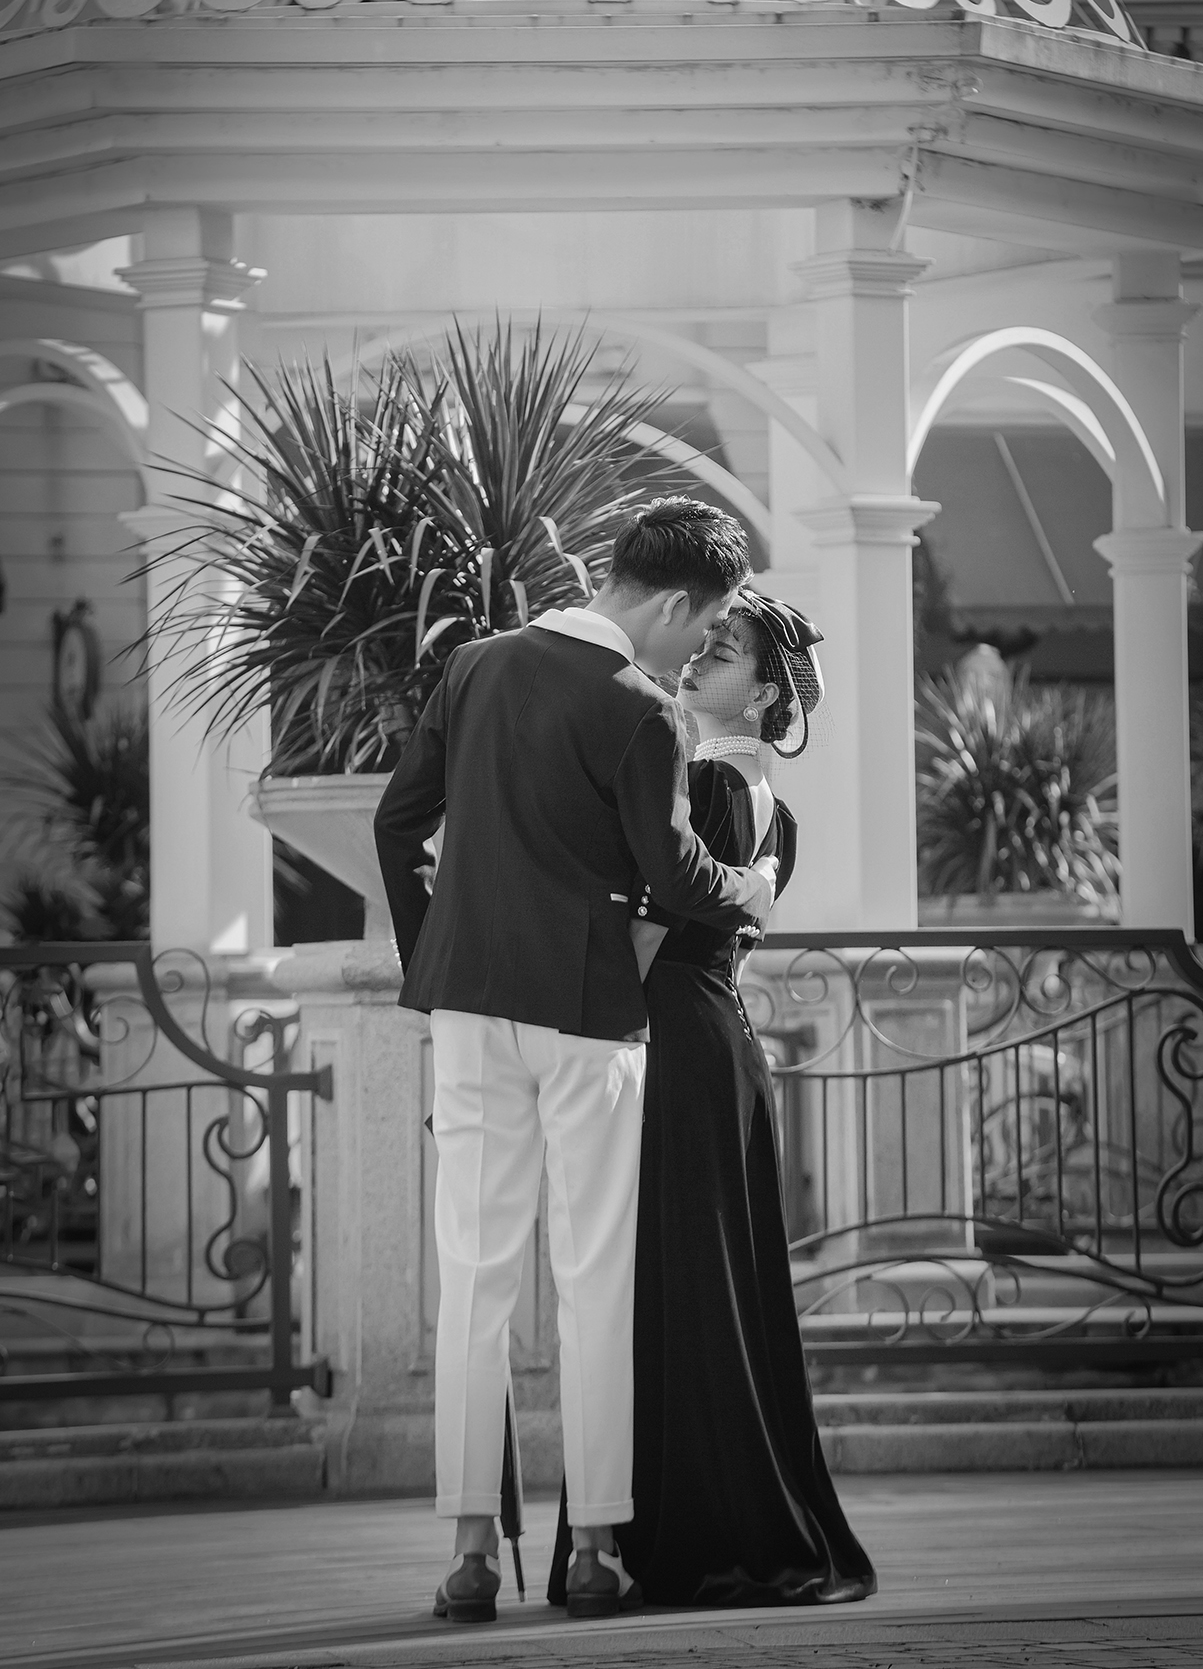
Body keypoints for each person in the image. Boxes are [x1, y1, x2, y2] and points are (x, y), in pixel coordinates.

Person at [373, 499, 779, 1625]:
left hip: (468, 1005)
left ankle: (469, 1556)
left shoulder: (473, 665)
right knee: (595, 1276)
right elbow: (675, 869)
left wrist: (436, 954)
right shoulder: (641, 708)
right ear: (672, 603)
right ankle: (595, 1550)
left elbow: (398, 825)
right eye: (702, 630)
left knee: (474, 1275)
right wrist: (749, 890)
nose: (696, 652)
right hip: (591, 1013)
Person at [549, 589, 877, 1608]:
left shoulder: (702, 781)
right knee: (705, 1284)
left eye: (723, 651)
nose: (695, 658)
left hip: (671, 1047)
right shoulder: (775, 807)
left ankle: (668, 1533)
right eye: (701, 643)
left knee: (657, 1282)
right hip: (716, 1046)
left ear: (767, 692)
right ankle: (704, 1519)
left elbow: (645, 940)